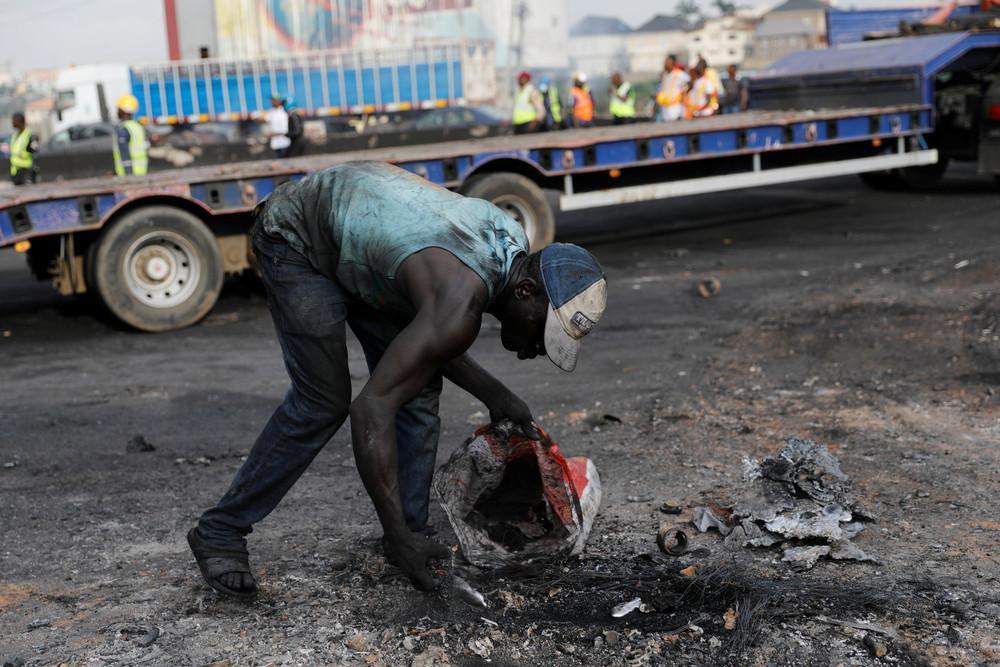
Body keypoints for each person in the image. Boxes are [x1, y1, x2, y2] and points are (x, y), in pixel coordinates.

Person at [187, 161, 608, 597]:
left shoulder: (509, 245)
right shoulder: (459, 303)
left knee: (419, 389)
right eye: (543, 332)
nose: (537, 348)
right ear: (524, 291)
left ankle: (408, 532)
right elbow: (371, 409)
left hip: (360, 240)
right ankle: (221, 531)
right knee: (324, 402)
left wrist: (499, 397)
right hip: (299, 238)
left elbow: (431, 340)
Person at [113, 95, 149, 176]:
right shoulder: (138, 127)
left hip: (129, 174)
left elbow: (125, 153)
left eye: (119, 109)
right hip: (142, 171)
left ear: (123, 111)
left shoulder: (123, 129)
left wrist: (129, 175)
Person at [655, 55, 690, 122]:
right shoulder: (664, 75)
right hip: (665, 108)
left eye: (667, 62)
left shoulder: (679, 74)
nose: (665, 64)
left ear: (673, 63)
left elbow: (690, 82)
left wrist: (685, 91)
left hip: (675, 108)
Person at [8, 112, 38, 185]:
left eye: (14, 121)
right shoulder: (15, 135)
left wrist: (34, 170)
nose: (12, 123)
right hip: (16, 171)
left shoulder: (29, 135)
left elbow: (35, 153)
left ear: (21, 122)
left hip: (27, 172)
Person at [267, 93, 292, 158]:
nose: (271, 102)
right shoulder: (271, 111)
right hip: (275, 144)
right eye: (271, 100)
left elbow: (288, 130)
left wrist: (276, 134)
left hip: (285, 143)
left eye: (273, 100)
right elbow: (264, 119)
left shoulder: (284, 112)